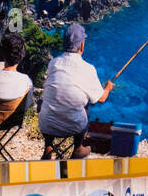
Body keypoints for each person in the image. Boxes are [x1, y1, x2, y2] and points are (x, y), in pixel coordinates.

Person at [38, 22, 113, 159]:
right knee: (86, 105)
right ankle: (77, 148)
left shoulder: (53, 63)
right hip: (73, 127)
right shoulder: (88, 69)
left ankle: (48, 147)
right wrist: (107, 87)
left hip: (46, 126)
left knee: (50, 98)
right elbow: (101, 98)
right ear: (82, 46)